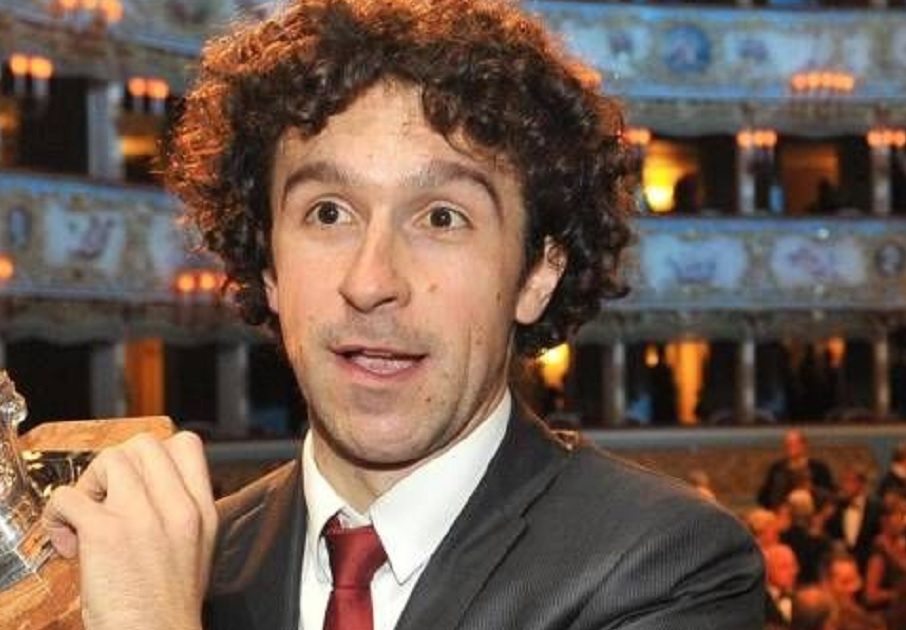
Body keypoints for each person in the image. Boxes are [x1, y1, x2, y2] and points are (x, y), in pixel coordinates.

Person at [42, 1, 764, 629]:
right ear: (268, 265)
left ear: (536, 274)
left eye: (442, 217)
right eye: (328, 213)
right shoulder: (195, 561)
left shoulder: (665, 564)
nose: (371, 282)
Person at [759, 429, 836, 510]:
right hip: (781, 510)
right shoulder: (777, 468)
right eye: (787, 445)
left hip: (812, 510)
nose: (790, 448)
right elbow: (763, 496)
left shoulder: (819, 468)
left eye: (794, 444)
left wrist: (811, 489)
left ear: (803, 445)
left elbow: (830, 495)